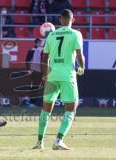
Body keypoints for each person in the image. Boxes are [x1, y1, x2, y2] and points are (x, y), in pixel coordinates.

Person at [33, 9, 85, 150]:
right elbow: (80, 55)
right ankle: (58, 140)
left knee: (46, 108)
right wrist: (82, 67)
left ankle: (39, 141)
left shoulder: (51, 35)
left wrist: (45, 75)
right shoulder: (76, 34)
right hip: (67, 75)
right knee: (71, 109)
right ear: (72, 20)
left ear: (60, 20)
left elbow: (45, 58)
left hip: (52, 75)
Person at [24, 38, 44, 107]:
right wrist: (28, 69)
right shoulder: (32, 50)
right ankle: (30, 101)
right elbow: (28, 60)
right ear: (36, 43)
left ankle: (32, 101)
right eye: (39, 42)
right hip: (33, 71)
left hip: (39, 71)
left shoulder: (42, 50)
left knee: (37, 87)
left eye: (41, 42)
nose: (41, 43)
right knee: (33, 86)